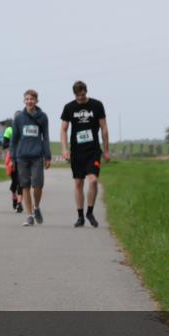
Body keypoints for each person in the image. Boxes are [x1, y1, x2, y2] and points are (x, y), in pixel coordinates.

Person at [60, 80, 110, 227]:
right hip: (77, 151)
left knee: (93, 180)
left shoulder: (97, 105)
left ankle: (90, 212)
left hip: (93, 150)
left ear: (86, 92)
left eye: (82, 95)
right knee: (78, 182)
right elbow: (63, 129)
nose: (80, 99)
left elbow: (104, 128)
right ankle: (80, 216)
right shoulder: (69, 107)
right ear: (74, 94)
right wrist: (64, 149)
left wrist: (106, 150)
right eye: (77, 96)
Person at [11, 90, 51, 226]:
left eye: (32, 99)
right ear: (24, 101)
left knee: (38, 185)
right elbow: (13, 140)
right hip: (22, 156)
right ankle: (29, 216)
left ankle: (36, 207)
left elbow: (45, 137)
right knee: (25, 186)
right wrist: (12, 157)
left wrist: (48, 156)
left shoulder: (43, 117)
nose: (29, 101)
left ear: (36, 101)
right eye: (27, 99)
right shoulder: (18, 118)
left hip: (37, 156)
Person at [1, 122, 23, 212]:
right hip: (11, 158)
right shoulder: (9, 130)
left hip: (23, 158)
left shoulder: (25, 130)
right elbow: (4, 145)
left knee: (21, 181)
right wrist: (14, 143)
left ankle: (19, 203)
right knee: (14, 180)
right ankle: (14, 195)